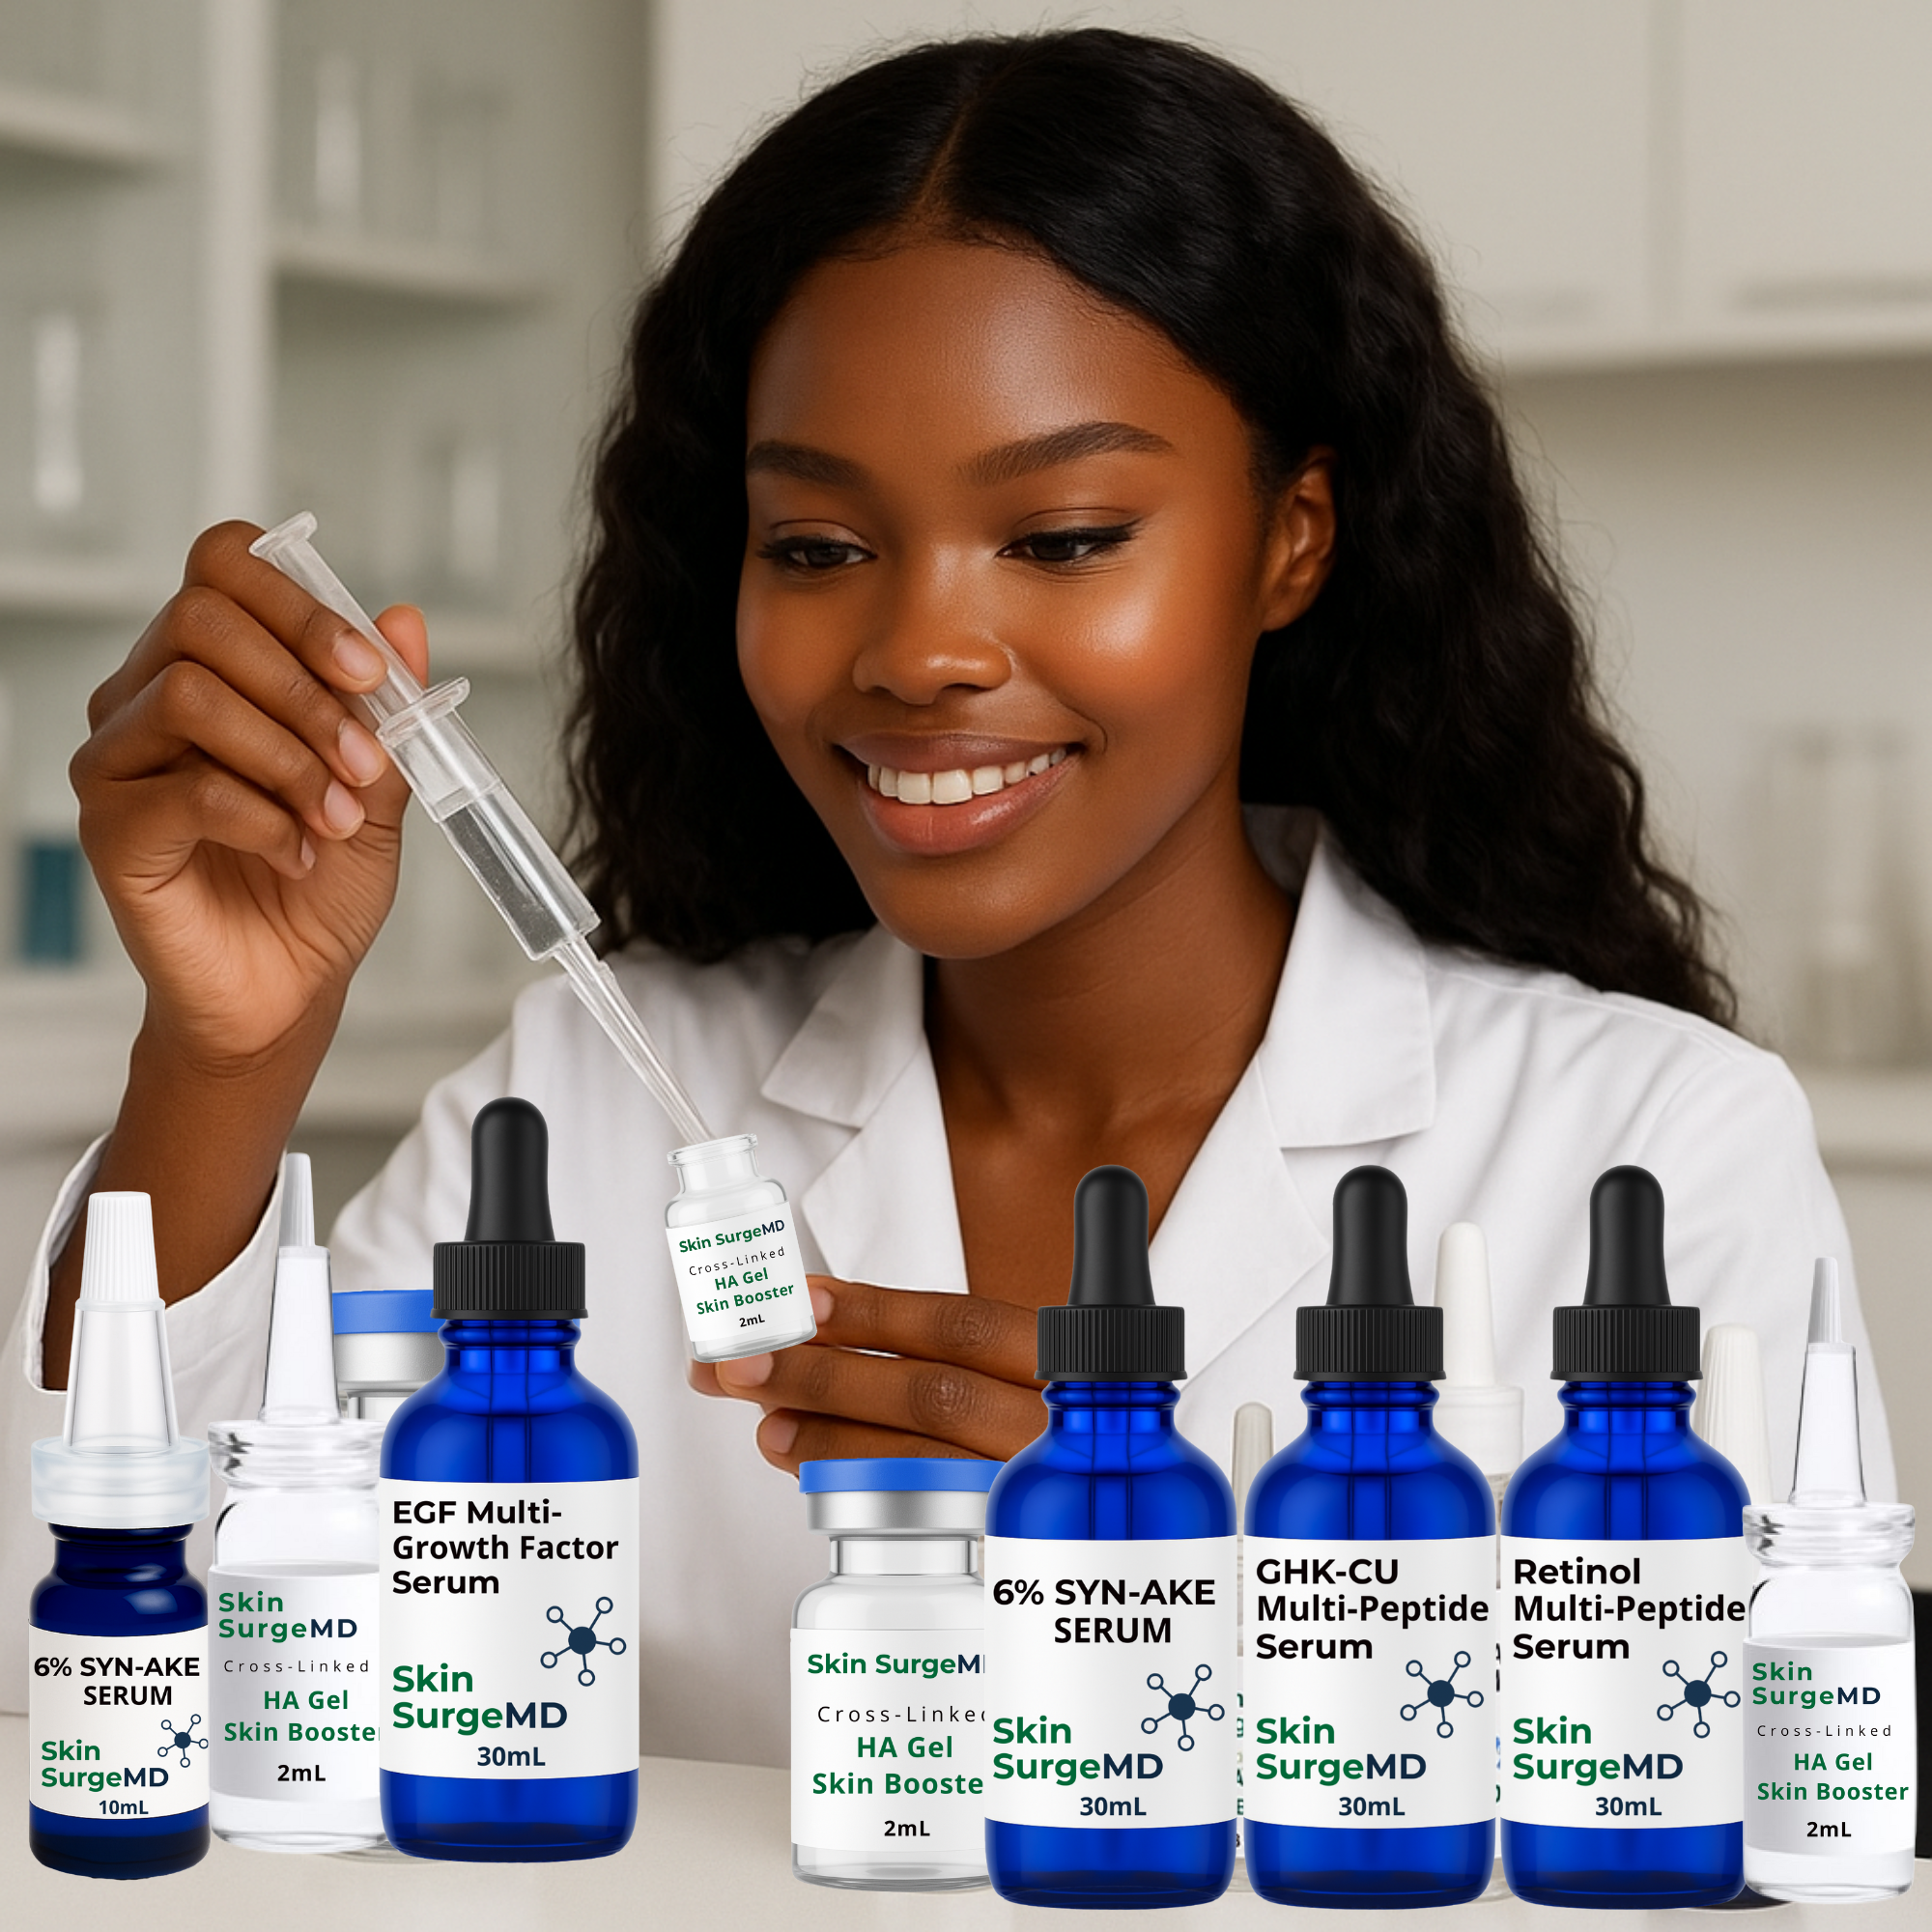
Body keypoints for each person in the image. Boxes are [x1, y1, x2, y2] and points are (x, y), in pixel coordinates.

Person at [1, 30, 1891, 1764]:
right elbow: (146, 1683)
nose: (917, 650)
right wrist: (223, 1055)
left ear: (1290, 539)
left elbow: (1787, 1835)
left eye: (1063, 537)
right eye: (816, 543)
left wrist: (1197, 1622)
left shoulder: (1645, 1144)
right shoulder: (593, 1096)